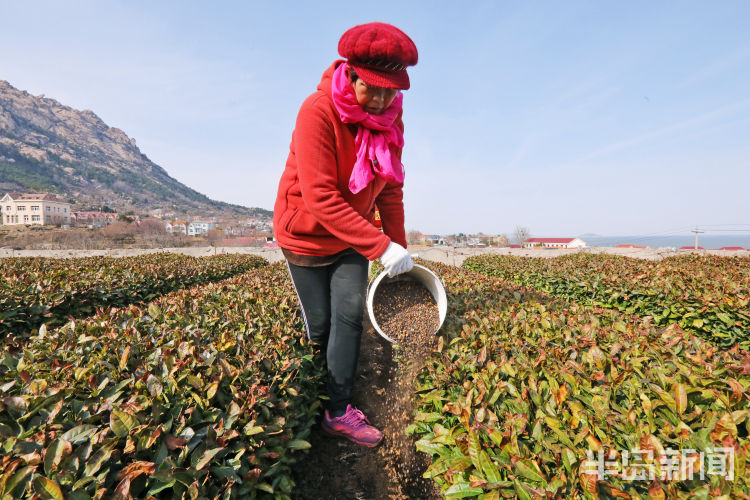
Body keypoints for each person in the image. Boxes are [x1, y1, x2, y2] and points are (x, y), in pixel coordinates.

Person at [272, 22, 418, 447]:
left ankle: (337, 411)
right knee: (319, 327)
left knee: (349, 319)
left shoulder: (391, 116)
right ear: (350, 73)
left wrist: (398, 249)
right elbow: (319, 196)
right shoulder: (317, 111)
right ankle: (307, 400)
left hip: (352, 236)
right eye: (373, 88)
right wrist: (379, 245)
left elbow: (390, 186)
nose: (382, 100)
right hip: (306, 236)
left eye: (392, 91)